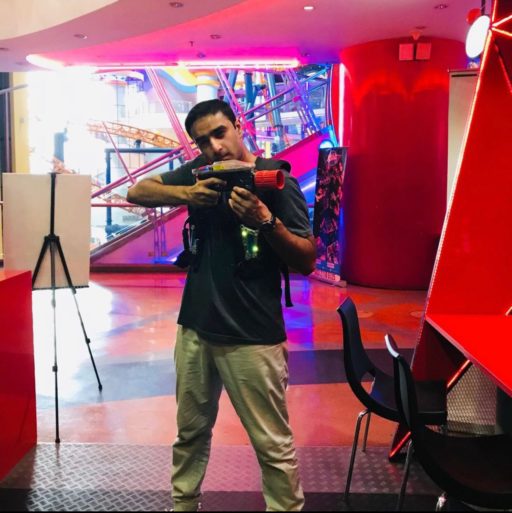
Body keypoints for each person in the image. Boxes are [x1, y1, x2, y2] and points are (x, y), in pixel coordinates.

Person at [126, 99, 316, 512]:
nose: (214, 147)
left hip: (253, 335)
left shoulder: (275, 180)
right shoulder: (202, 174)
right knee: (189, 435)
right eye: (202, 141)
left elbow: (306, 259)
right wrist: (187, 193)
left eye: (219, 133)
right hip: (195, 328)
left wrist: (265, 220)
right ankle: (183, 505)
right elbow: (136, 190)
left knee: (272, 444)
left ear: (238, 125)